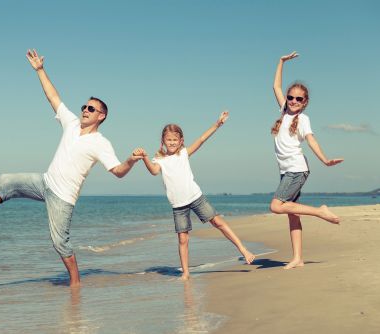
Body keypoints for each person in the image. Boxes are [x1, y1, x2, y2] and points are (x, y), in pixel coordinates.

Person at [0, 49, 141, 286]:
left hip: (63, 197)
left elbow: (118, 172)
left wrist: (131, 160)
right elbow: (53, 97)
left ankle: (75, 283)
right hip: (45, 183)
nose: (85, 110)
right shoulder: (71, 124)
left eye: (91, 109)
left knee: (60, 242)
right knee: (4, 181)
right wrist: (40, 70)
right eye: (84, 106)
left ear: (101, 116)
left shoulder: (101, 143)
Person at [133, 113, 255, 280]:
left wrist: (217, 124)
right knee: (183, 240)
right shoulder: (159, 160)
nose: (172, 143)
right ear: (163, 141)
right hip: (178, 205)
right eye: (169, 140)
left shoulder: (183, 153)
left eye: (175, 140)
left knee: (218, 222)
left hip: (195, 197)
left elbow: (202, 139)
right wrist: (145, 158)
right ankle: (186, 272)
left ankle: (244, 250)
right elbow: (154, 171)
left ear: (181, 141)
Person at [269, 51, 344, 269]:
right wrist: (281, 61)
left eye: (298, 99)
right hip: (287, 171)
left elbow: (311, 141)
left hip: (296, 170)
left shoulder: (303, 119)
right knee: (292, 214)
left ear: (304, 102)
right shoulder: (284, 111)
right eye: (290, 97)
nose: (293, 101)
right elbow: (275, 86)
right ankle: (298, 258)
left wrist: (325, 160)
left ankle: (320, 211)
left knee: (276, 206)